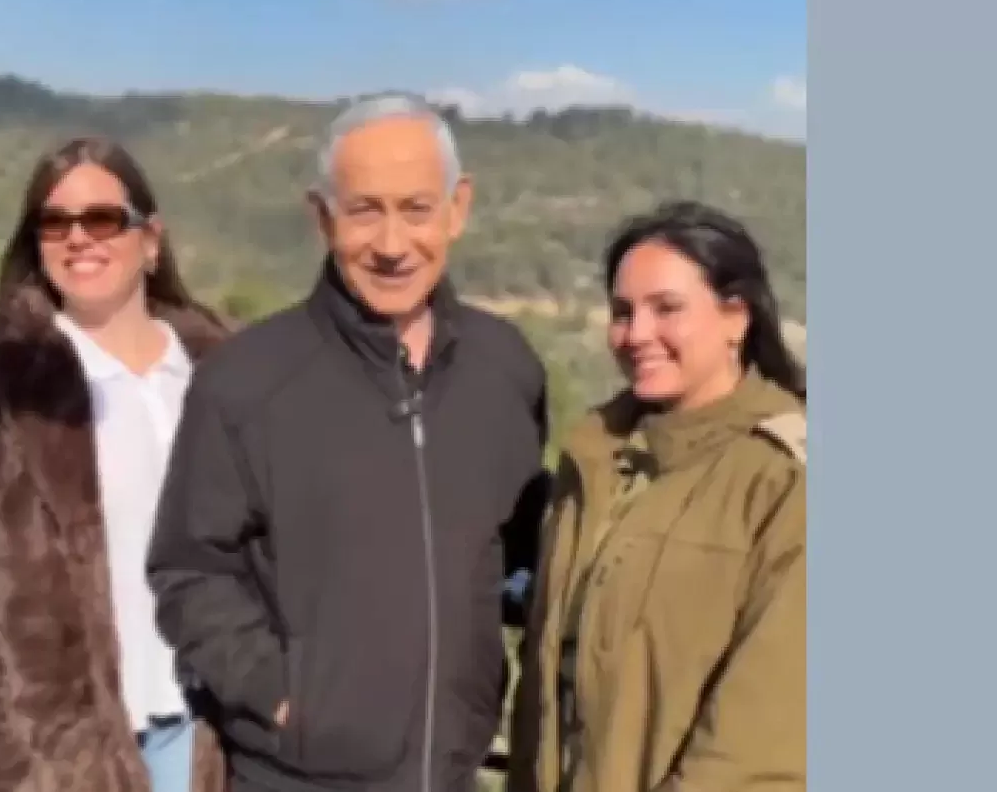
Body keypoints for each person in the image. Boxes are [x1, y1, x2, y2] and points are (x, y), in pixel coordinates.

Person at [145, 93, 550, 792]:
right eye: (364, 210)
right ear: (322, 215)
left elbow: (509, 554)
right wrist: (283, 697)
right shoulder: (245, 382)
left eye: (416, 208)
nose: (392, 245)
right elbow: (189, 571)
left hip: (454, 772)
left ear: (458, 208)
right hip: (295, 778)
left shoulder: (505, 368)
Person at [0, 137, 232, 792]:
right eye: (55, 222)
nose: (78, 237)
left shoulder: (223, 372)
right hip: (57, 758)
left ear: (151, 240)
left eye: (101, 218)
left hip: (211, 737)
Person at [508, 200, 806, 792]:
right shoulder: (593, 461)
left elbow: (762, 739)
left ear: (736, 317)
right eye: (623, 312)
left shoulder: (783, 478)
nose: (637, 334)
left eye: (667, 308)